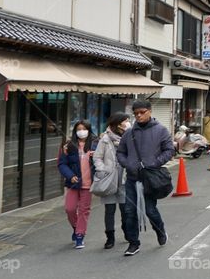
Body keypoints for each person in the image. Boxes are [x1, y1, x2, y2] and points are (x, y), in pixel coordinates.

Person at [116, 100, 175, 257]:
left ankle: (160, 230)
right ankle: (134, 243)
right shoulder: (129, 133)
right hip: (132, 178)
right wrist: (127, 163)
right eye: (136, 113)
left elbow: (169, 150)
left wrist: (154, 163)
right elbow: (120, 152)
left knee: (150, 210)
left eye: (142, 112)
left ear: (150, 111)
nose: (139, 116)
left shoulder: (161, 130)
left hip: (150, 178)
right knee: (129, 211)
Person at [94, 113, 131, 249]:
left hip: (124, 178)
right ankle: (110, 237)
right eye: (125, 121)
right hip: (108, 179)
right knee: (109, 209)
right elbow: (97, 157)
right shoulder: (105, 139)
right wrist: (102, 170)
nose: (128, 123)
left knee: (125, 209)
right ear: (118, 123)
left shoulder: (129, 136)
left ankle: (127, 231)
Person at [58, 120, 96, 249]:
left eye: (84, 128)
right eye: (79, 129)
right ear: (75, 131)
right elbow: (62, 164)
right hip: (73, 183)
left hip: (88, 184)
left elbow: (104, 159)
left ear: (89, 130)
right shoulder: (68, 145)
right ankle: (76, 227)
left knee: (84, 211)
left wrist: (95, 157)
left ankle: (80, 235)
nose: (82, 131)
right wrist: (70, 175)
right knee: (70, 208)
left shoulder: (96, 144)